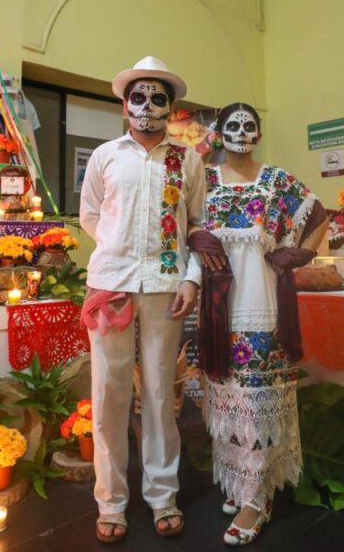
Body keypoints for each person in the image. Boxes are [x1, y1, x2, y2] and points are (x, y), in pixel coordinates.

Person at [79, 56, 224, 544]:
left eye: (157, 97)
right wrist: (118, 255)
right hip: (112, 288)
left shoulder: (189, 160)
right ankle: (111, 502)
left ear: (172, 106)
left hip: (167, 290)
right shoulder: (105, 156)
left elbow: (198, 227)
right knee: (108, 396)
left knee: (161, 396)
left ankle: (163, 495)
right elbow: (91, 217)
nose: (147, 105)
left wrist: (190, 278)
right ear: (124, 105)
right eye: (138, 97)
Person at [201, 103, 328, 546]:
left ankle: (256, 499)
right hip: (217, 310)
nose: (240, 131)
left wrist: (300, 254)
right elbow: (182, 229)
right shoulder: (206, 180)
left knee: (256, 401)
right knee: (226, 398)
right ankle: (243, 486)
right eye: (231, 125)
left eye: (248, 125)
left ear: (258, 133)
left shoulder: (276, 181)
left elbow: (318, 216)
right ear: (218, 133)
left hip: (262, 305)